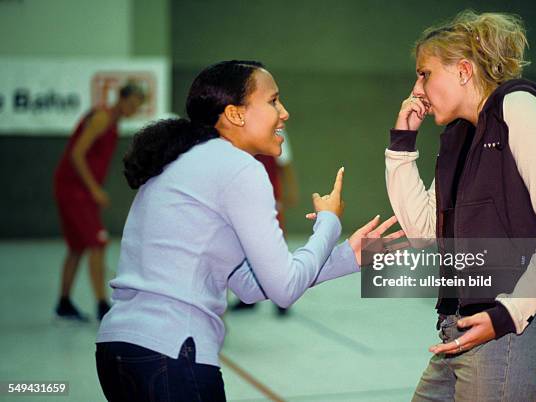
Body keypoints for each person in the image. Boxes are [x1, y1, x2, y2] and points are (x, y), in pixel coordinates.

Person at [95, 60, 401, 401]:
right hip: (174, 353)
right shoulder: (239, 168)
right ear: (235, 114)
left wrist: (347, 257)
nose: (284, 113)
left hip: (119, 351)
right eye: (273, 101)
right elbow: (284, 289)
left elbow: (250, 285)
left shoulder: (182, 160)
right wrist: (329, 223)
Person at [384, 11, 536, 401]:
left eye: (424, 73)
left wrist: (508, 314)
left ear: (463, 71)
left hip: (508, 337)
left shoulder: (520, 109)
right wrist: (402, 146)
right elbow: (423, 232)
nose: (417, 89)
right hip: (458, 333)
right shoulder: (458, 135)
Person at [53, 83, 145, 321]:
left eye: (138, 106)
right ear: (122, 99)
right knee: (97, 242)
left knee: (77, 247)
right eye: (133, 103)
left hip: (77, 189)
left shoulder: (112, 121)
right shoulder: (102, 117)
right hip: (75, 189)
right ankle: (102, 304)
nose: (134, 109)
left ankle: (63, 302)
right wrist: (94, 189)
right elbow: (76, 153)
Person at [232, 128, 299, 315]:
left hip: (270, 197)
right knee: (245, 246)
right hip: (245, 196)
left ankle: (282, 298)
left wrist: (290, 189)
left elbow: (285, 162)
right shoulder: (239, 128)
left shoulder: (276, 131)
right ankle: (248, 295)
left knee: (275, 247)